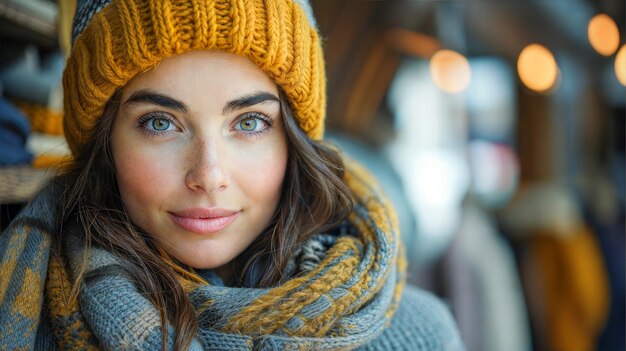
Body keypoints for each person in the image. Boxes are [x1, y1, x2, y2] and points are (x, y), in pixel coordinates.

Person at [0, 0, 465, 350]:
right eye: (160, 122)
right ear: (106, 145)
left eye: (250, 123)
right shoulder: (22, 305)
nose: (209, 175)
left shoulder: (415, 334)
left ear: (294, 141)